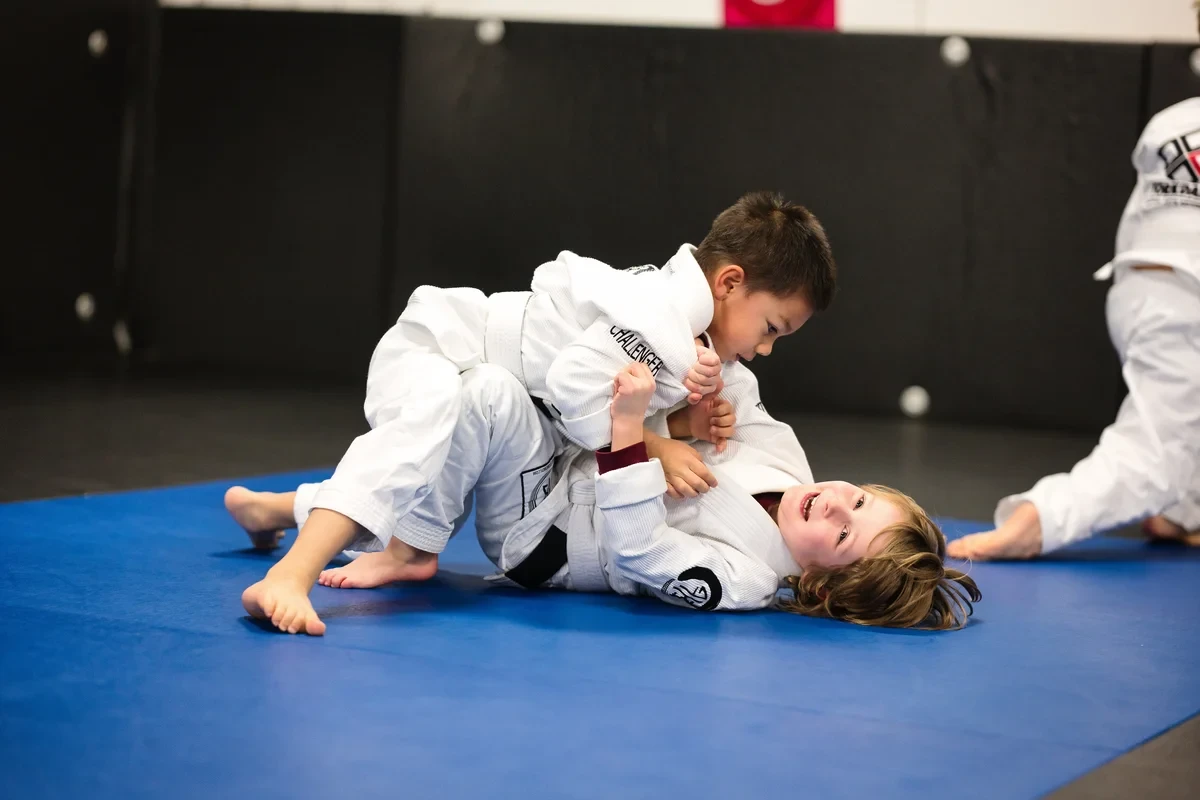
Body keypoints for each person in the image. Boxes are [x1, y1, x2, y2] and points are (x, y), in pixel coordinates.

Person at [232, 191, 838, 630]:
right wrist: (658, 441)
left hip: (512, 398)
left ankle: (317, 521)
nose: (762, 350)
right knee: (427, 429)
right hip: (447, 343)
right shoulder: (667, 325)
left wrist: (678, 420)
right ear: (730, 282)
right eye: (771, 329)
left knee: (477, 404)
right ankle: (295, 572)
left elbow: (612, 390)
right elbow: (575, 388)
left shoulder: (684, 322)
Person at [232, 363, 979, 635]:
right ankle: (282, 509)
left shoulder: (748, 581)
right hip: (571, 457)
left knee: (485, 400)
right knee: (473, 402)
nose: (836, 505)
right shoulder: (788, 459)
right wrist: (712, 391)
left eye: (847, 533)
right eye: (860, 498)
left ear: (819, 583)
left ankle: (408, 550)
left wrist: (631, 433)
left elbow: (638, 552)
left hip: (544, 535)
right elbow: (740, 392)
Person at [949, 98, 1200, 561]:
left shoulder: (1174, 121)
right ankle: (1038, 519)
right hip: (1182, 303)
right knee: (1158, 450)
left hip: (1144, 295)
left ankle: (1186, 507)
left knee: (1178, 424)